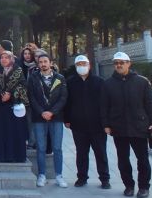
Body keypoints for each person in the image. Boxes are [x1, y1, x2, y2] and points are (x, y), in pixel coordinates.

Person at [102, 52, 152, 198]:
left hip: (139, 126)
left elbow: (149, 104)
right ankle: (128, 185)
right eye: (116, 63)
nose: (119, 65)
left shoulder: (142, 82)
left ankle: (144, 187)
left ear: (129, 63)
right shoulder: (108, 84)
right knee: (123, 159)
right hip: (119, 127)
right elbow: (104, 107)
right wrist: (106, 124)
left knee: (143, 159)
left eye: (122, 62)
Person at [65, 55, 110, 189]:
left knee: (101, 153)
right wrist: (67, 119)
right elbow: (67, 103)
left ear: (89, 65)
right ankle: (82, 177)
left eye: (84, 64)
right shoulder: (70, 82)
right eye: (79, 64)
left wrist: (106, 123)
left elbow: (105, 103)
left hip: (97, 125)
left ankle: (105, 179)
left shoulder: (99, 82)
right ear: (76, 66)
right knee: (81, 153)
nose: (82, 66)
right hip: (78, 125)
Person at [28, 53, 69, 188]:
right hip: (39, 118)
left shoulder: (60, 78)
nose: (43, 64)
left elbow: (63, 98)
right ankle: (42, 175)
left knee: (57, 147)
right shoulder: (33, 78)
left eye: (45, 61)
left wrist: (52, 112)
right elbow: (32, 97)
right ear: (38, 64)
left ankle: (59, 175)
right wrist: (42, 112)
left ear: (51, 63)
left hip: (56, 117)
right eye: (40, 62)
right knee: (41, 147)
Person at [0, 51, 29, 163]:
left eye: (7, 57)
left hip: (13, 106)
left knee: (14, 131)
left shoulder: (18, 70)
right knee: (0, 131)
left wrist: (10, 94)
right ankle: (0, 155)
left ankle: (15, 155)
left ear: (12, 59)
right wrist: (1, 94)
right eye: (2, 57)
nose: (4, 59)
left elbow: (23, 85)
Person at [19, 47, 37, 149]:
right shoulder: (20, 67)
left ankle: (32, 142)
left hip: (34, 98)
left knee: (31, 121)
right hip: (23, 97)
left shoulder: (36, 67)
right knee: (25, 121)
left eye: (29, 54)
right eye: (25, 54)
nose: (27, 56)